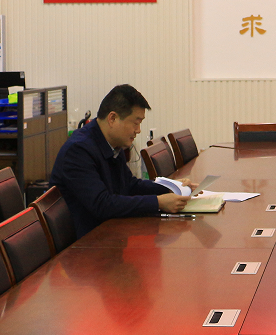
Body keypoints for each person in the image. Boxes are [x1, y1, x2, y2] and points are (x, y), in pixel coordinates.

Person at [52, 84, 193, 237]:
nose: (138, 130)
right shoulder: (78, 150)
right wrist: (158, 202)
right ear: (112, 118)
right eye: (135, 123)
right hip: (88, 242)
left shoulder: (112, 142)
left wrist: (172, 187)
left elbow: (129, 185)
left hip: (110, 231)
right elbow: (102, 204)